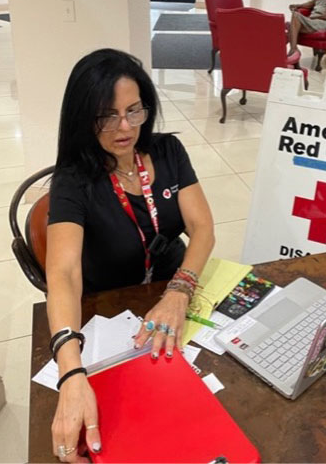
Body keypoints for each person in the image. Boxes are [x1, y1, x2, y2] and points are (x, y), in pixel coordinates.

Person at [45, 48, 215, 463]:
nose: (125, 127)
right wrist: (70, 372)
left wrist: (179, 292)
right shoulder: (73, 180)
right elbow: (64, 273)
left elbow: (203, 230)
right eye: (108, 115)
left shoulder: (169, 151)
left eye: (134, 111)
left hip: (174, 293)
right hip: (109, 308)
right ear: (84, 116)